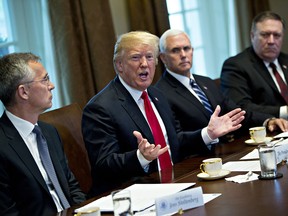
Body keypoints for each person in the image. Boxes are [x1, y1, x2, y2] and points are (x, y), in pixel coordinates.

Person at [82, 31, 246, 197]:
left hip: (175, 184)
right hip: (135, 194)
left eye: (149, 57)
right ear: (119, 65)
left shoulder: (157, 94)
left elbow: (175, 142)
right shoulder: (100, 108)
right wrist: (140, 157)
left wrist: (208, 134)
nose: (144, 64)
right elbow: (103, 165)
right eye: (136, 57)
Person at [155, 29, 288, 140]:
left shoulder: (205, 82)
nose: (183, 55)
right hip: (196, 160)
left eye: (186, 48)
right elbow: (176, 139)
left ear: (192, 51)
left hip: (227, 152)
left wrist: (269, 120)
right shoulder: (160, 93)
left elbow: (237, 113)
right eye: (175, 50)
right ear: (163, 57)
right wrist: (208, 135)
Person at [0, 53, 86, 216]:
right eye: (45, 79)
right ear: (23, 92)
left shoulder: (49, 132)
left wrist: (84, 211)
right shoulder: (3, 146)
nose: (51, 85)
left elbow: (71, 185)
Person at [220, 11, 288, 119]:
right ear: (252, 36)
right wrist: (285, 111)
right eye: (265, 35)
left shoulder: (285, 60)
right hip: (267, 131)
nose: (271, 41)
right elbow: (240, 108)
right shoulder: (235, 66)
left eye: (277, 35)